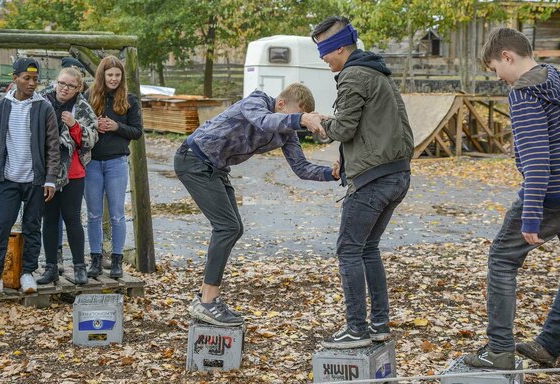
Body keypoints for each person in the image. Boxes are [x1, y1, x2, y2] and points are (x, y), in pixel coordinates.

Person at [175, 83, 339, 326]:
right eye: (294, 115)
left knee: (233, 228)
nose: (295, 123)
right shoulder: (256, 102)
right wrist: (302, 118)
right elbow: (264, 121)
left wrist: (332, 174)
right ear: (281, 104)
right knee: (227, 227)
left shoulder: (287, 133)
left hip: (215, 168)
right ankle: (207, 301)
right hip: (193, 160)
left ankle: (206, 297)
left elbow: (302, 168)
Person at [463, 28, 560, 370]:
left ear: (508, 56)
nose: (498, 77)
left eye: (495, 68)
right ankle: (549, 344)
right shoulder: (558, 78)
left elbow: (538, 158)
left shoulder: (524, 91)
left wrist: (532, 213)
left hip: (552, 193)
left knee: (502, 260)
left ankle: (498, 351)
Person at [307, 16, 414, 349]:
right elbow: (375, 130)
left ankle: (356, 329)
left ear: (339, 47)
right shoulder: (378, 73)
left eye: (325, 51)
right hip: (396, 174)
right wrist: (350, 157)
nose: (323, 59)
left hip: (373, 180)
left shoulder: (353, 75)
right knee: (368, 249)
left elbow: (345, 128)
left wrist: (318, 122)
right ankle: (379, 325)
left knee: (349, 250)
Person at [0, 58, 60, 293]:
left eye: (35, 79)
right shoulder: (0, 108)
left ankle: (27, 274)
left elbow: (53, 145)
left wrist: (50, 177)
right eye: (27, 78)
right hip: (9, 179)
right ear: (15, 78)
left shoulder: (44, 107)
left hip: (36, 180)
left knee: (32, 227)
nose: (32, 83)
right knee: (1, 226)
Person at [36, 67, 98, 286]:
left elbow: (91, 139)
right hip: (46, 173)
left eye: (70, 86)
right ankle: (51, 267)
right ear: (56, 82)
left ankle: (79, 266)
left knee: (72, 219)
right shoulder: (41, 101)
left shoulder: (82, 107)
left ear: (78, 88)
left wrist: (74, 126)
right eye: (62, 83)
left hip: (73, 173)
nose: (64, 88)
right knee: (50, 221)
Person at [84, 56, 143, 279]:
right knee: (93, 214)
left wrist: (117, 126)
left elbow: (137, 132)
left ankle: (117, 260)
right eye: (110, 75)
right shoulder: (89, 96)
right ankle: (96, 259)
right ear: (102, 76)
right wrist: (94, 126)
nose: (114, 79)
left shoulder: (129, 100)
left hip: (116, 162)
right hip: (92, 163)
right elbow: (78, 126)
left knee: (117, 214)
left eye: (117, 75)